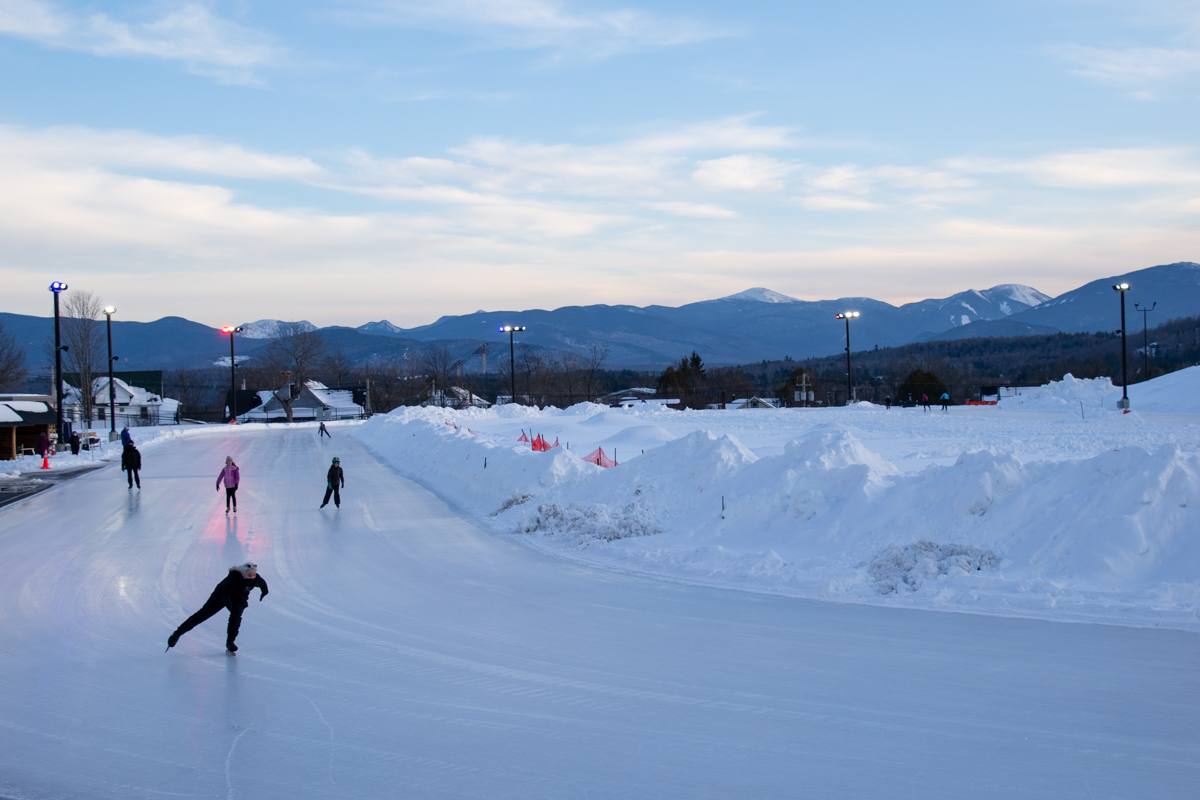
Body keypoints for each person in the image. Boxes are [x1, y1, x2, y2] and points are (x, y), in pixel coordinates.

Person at [167, 563, 267, 654]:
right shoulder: (233, 577)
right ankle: (177, 633)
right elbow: (225, 594)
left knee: (236, 618)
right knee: (202, 615)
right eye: (249, 576)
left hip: (239, 597)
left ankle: (230, 641)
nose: (251, 578)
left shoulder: (255, 578)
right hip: (220, 595)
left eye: (253, 575)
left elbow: (263, 585)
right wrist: (229, 606)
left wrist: (264, 592)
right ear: (242, 573)